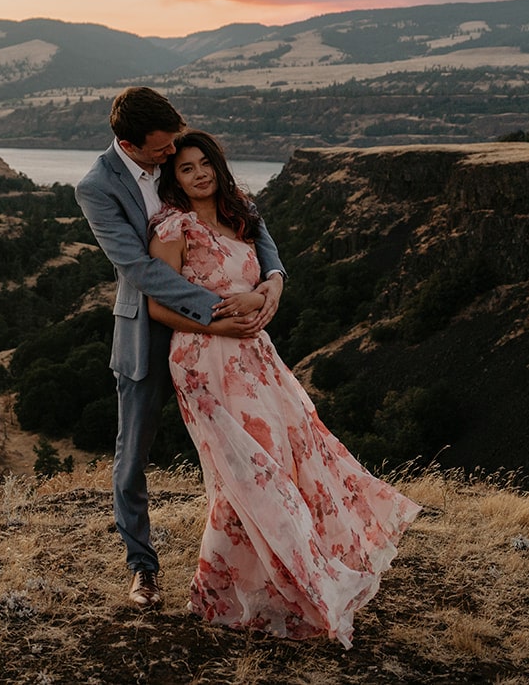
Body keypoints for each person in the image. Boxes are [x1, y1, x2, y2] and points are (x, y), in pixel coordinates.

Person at [147, 130, 421, 648]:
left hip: (256, 356)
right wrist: (219, 325)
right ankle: (252, 589)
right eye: (186, 168)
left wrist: (267, 291)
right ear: (174, 178)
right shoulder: (172, 227)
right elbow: (158, 307)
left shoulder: (241, 216)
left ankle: (231, 592)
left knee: (293, 458)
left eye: (205, 163)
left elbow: (267, 273)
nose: (200, 174)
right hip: (205, 359)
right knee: (253, 471)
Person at [76, 88, 286, 611]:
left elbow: (247, 220)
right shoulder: (97, 187)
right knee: (133, 455)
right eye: (163, 149)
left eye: (176, 145)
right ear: (129, 143)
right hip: (153, 333)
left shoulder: (183, 158)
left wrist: (274, 279)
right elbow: (141, 272)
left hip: (227, 347)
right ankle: (143, 569)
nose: (173, 155)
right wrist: (222, 309)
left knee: (250, 450)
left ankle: (261, 564)